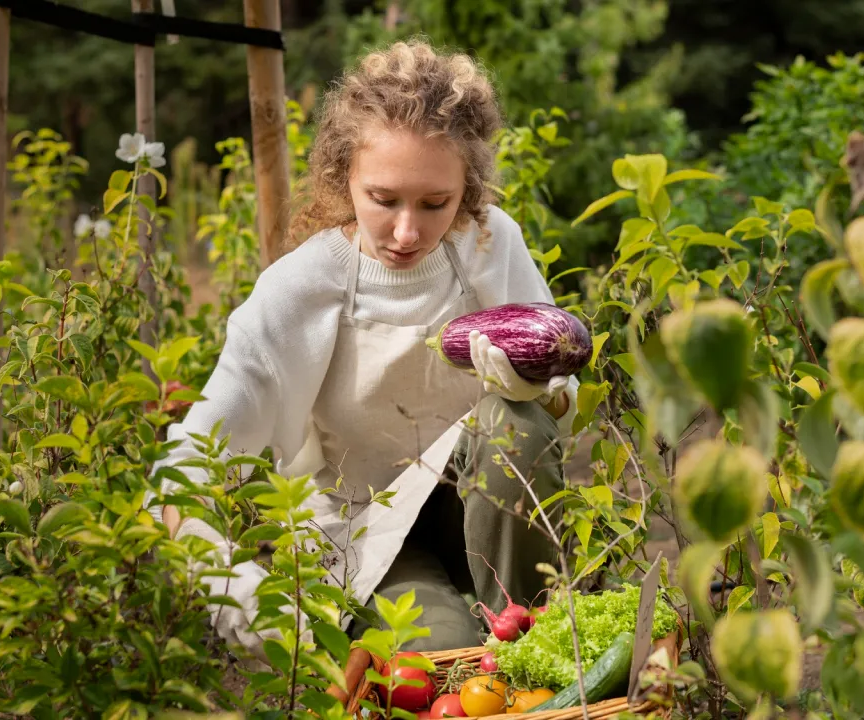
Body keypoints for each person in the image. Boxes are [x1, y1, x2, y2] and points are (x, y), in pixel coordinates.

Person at [149, 39, 578, 661]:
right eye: (383, 199)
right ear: (341, 174)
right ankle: (468, 636)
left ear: (469, 189)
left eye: (436, 204)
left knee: (514, 423)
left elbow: (561, 403)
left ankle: (532, 638)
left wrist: (539, 390)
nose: (408, 233)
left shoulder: (489, 244)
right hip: (369, 532)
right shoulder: (299, 290)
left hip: (490, 513)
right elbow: (186, 470)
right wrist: (233, 588)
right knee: (436, 659)